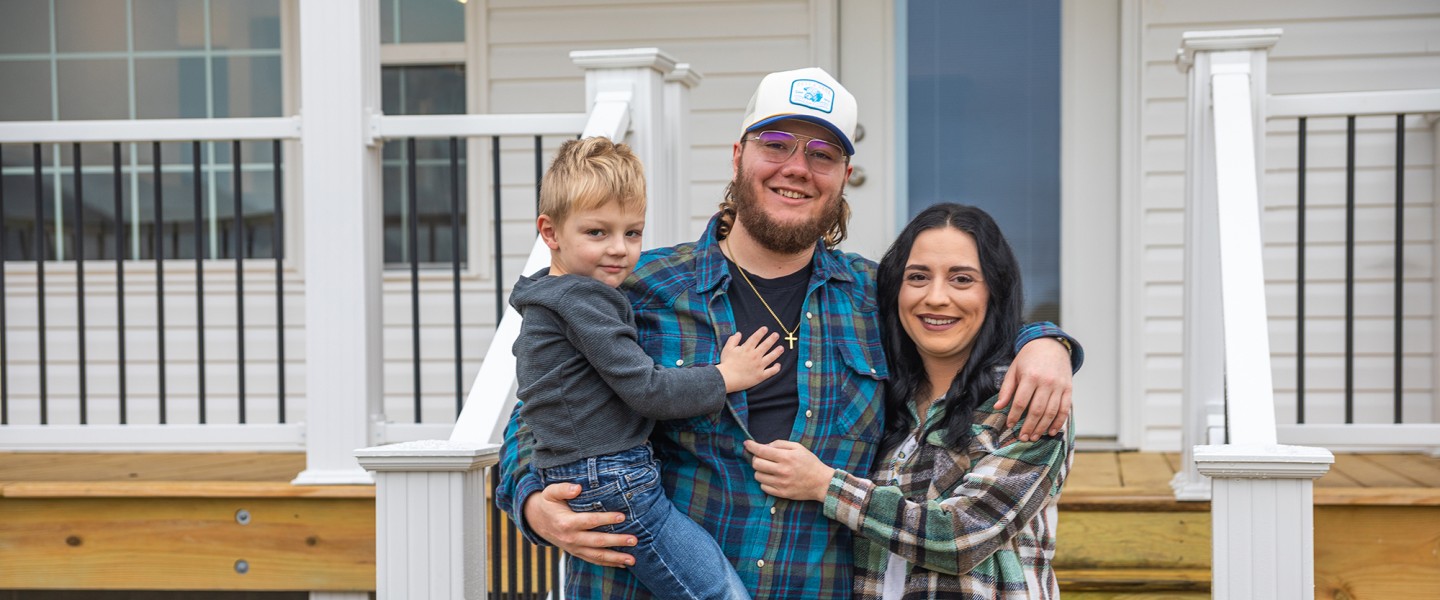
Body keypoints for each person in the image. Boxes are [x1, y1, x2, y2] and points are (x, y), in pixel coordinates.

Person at [497, 67, 1082, 600]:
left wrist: (1046, 343)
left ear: (844, 176)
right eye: (776, 145)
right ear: (738, 156)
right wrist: (530, 503)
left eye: (822, 154)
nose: (797, 167)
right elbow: (539, 411)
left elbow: (959, 319)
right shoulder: (636, 286)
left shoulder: (874, 298)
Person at [747, 203, 1075, 599]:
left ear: (994, 290)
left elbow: (962, 537)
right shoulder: (879, 392)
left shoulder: (1027, 398)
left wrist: (824, 485)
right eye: (918, 277)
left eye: (961, 279)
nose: (936, 297)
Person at [510, 136, 783, 599]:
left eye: (632, 233)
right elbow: (646, 390)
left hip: (594, 472)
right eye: (597, 232)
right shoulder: (585, 300)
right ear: (550, 233)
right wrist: (725, 376)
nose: (619, 249)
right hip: (613, 478)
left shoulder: (555, 297)